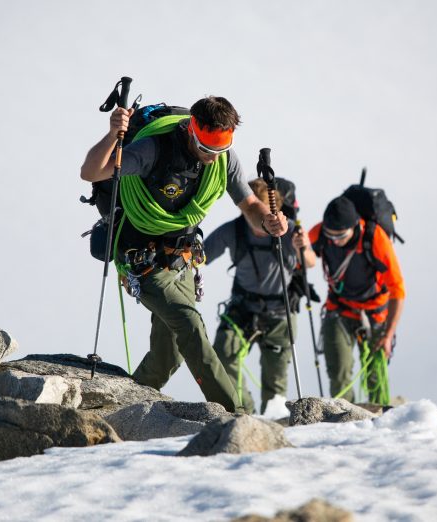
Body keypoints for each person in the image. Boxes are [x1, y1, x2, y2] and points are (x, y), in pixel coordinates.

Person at [80, 96, 288, 413]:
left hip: (182, 261)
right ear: (192, 130)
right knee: (191, 327)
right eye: (206, 149)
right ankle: (234, 414)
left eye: (220, 149)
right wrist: (112, 135)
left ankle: (122, 408)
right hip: (142, 261)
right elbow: (91, 172)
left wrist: (268, 222)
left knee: (168, 356)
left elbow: (249, 205)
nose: (212, 158)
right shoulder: (154, 150)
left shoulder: (223, 158)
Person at [204, 179, 316, 414]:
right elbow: (200, 256)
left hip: (280, 315)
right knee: (223, 356)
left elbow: (310, 262)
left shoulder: (290, 231)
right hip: (243, 309)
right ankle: (244, 412)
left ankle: (272, 423)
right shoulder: (233, 230)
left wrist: (303, 247)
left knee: (275, 385)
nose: (257, 223)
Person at [308, 196, 405, 403]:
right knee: (338, 372)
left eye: (340, 236)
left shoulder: (375, 238)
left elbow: (397, 290)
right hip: (339, 308)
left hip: (375, 314)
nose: (334, 241)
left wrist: (388, 335)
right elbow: (301, 255)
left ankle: (380, 415)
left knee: (375, 375)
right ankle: (344, 417)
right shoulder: (320, 232)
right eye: (330, 235)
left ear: (355, 227)